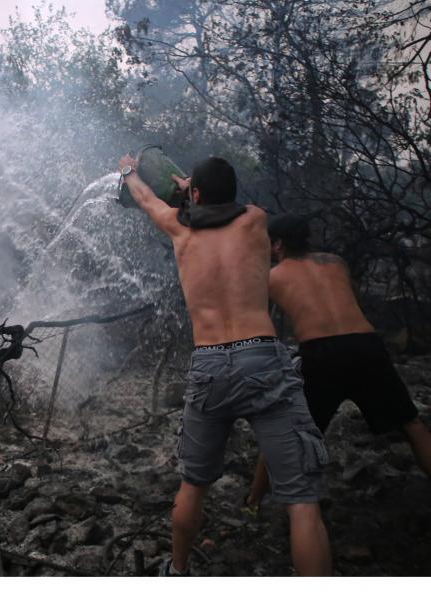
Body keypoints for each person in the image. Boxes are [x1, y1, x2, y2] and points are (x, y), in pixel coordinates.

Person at [118, 155, 332, 576]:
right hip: (263, 358)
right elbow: (221, 205)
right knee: (302, 498)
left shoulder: (178, 227)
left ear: (194, 195)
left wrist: (129, 171)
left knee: (193, 485)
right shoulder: (256, 220)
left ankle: (178, 571)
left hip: (210, 362)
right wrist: (191, 185)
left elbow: (144, 199)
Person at [247, 215, 431, 508]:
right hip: (366, 345)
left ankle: (253, 501)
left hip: (322, 354)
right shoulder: (335, 262)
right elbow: (351, 300)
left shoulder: (273, 277)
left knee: (282, 428)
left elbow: (260, 327)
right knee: (411, 423)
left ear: (278, 244)